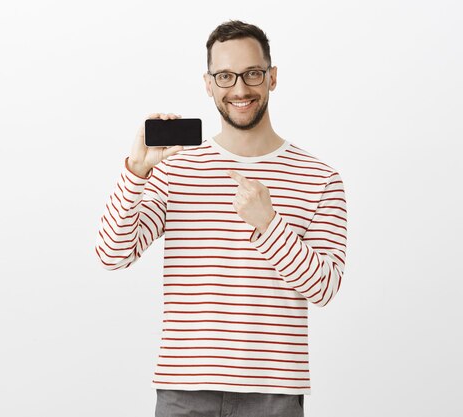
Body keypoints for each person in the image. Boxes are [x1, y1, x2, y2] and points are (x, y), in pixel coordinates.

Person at [95, 19, 347, 417]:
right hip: (184, 389)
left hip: (274, 393)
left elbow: (324, 289)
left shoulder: (320, 178)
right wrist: (136, 173)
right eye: (226, 76)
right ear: (209, 84)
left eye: (252, 73)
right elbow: (112, 254)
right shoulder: (176, 167)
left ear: (272, 77)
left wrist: (270, 224)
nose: (240, 89)